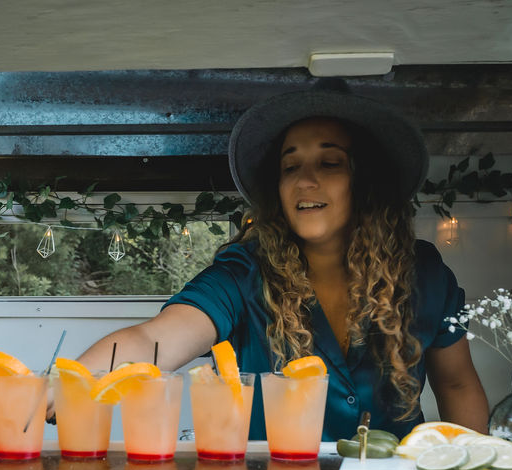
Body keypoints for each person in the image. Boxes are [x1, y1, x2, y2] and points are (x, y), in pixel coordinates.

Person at [63, 80, 489, 440]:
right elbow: (153, 339)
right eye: (290, 167)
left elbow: (457, 383)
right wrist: (71, 384)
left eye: (330, 162)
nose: (305, 181)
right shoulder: (243, 274)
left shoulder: (423, 271)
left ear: (366, 183)